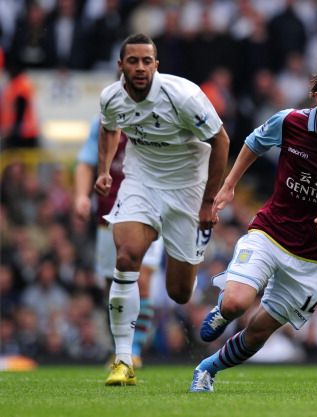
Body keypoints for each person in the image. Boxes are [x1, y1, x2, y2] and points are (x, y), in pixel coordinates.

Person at [188, 56, 317, 393]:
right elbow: (253, 143)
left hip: (315, 258)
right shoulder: (289, 122)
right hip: (271, 233)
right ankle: (223, 310)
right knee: (237, 303)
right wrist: (230, 184)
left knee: (259, 331)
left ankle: (208, 368)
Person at [95, 33, 229, 386]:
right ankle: (123, 360)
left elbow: (221, 140)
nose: (140, 67)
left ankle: (206, 276)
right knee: (126, 257)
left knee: (179, 292)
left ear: (156, 65)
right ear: (121, 65)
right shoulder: (111, 97)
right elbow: (109, 130)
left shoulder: (182, 96)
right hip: (141, 182)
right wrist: (105, 170)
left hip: (188, 190)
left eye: (146, 61)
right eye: (133, 61)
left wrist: (207, 201)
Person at [74, 117, 164, 369]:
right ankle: (120, 348)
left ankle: (133, 351)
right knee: (112, 284)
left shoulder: (159, 115)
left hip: (149, 210)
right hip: (108, 212)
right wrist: (81, 197)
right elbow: (86, 161)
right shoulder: (102, 123)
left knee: (142, 279)